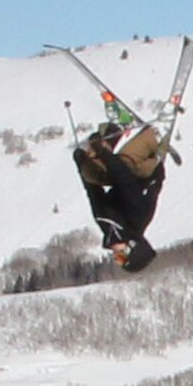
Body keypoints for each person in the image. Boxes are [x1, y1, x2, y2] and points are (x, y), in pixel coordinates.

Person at [72, 106, 168, 270]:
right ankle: (154, 137)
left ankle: (113, 129)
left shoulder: (107, 226)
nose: (116, 258)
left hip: (124, 175)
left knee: (91, 172)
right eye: (122, 258)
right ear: (132, 247)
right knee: (125, 160)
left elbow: (94, 193)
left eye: (118, 261)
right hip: (146, 171)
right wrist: (103, 153)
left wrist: (81, 163)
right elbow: (124, 178)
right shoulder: (137, 218)